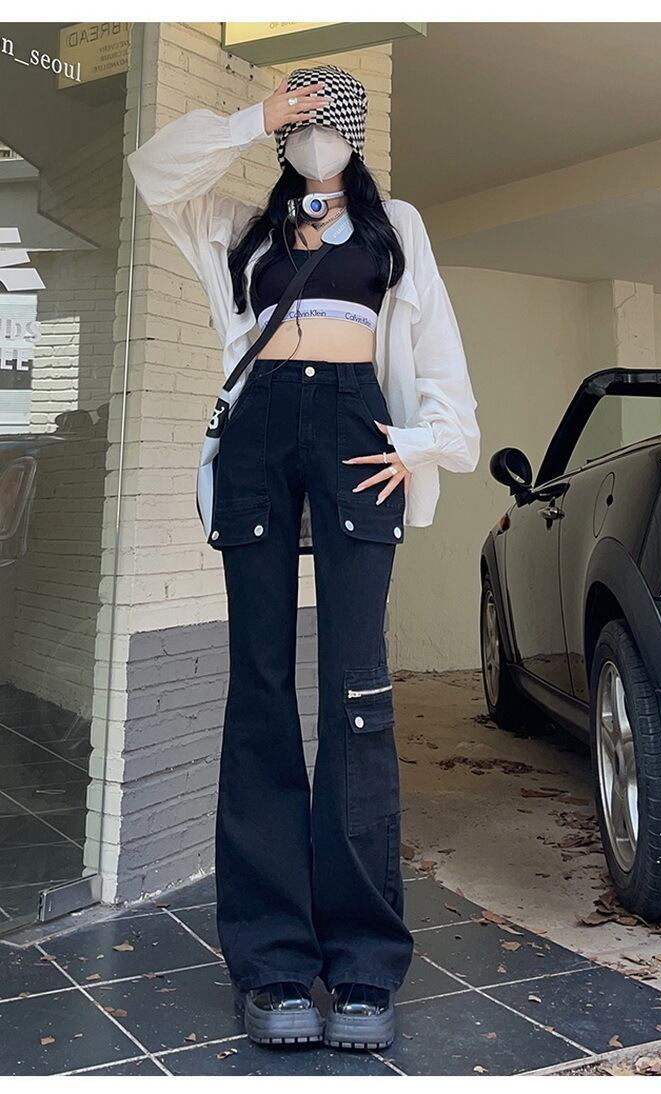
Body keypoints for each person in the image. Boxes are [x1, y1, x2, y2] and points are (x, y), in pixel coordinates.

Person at [127, 63, 480, 1052]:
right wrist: (254, 115)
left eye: (330, 115)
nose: (315, 129)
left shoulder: (393, 224)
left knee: (358, 690)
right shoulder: (245, 223)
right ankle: (273, 961)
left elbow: (436, 342)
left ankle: (363, 962)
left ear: (357, 131)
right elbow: (154, 172)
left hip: (357, 430)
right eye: (301, 116)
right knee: (260, 686)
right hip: (258, 434)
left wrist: (423, 442)